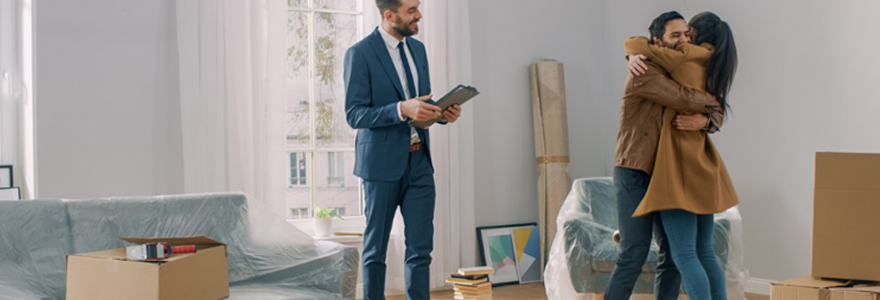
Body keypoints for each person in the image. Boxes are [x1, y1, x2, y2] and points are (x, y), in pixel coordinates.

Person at [343, 0, 462, 299]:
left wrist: (441, 114)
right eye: (411, 9)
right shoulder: (359, 54)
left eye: (418, 7)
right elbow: (355, 114)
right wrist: (400, 109)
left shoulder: (418, 50)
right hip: (381, 166)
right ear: (389, 14)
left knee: (421, 249)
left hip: (420, 161)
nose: (418, 15)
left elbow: (422, 107)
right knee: (375, 250)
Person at [605, 11, 724, 300]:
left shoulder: (678, 67)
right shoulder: (644, 70)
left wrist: (709, 119)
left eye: (686, 34)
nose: (683, 40)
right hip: (634, 170)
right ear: (658, 41)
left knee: (672, 253)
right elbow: (682, 98)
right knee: (634, 251)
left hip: (664, 171)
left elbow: (714, 115)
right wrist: (712, 103)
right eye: (676, 35)